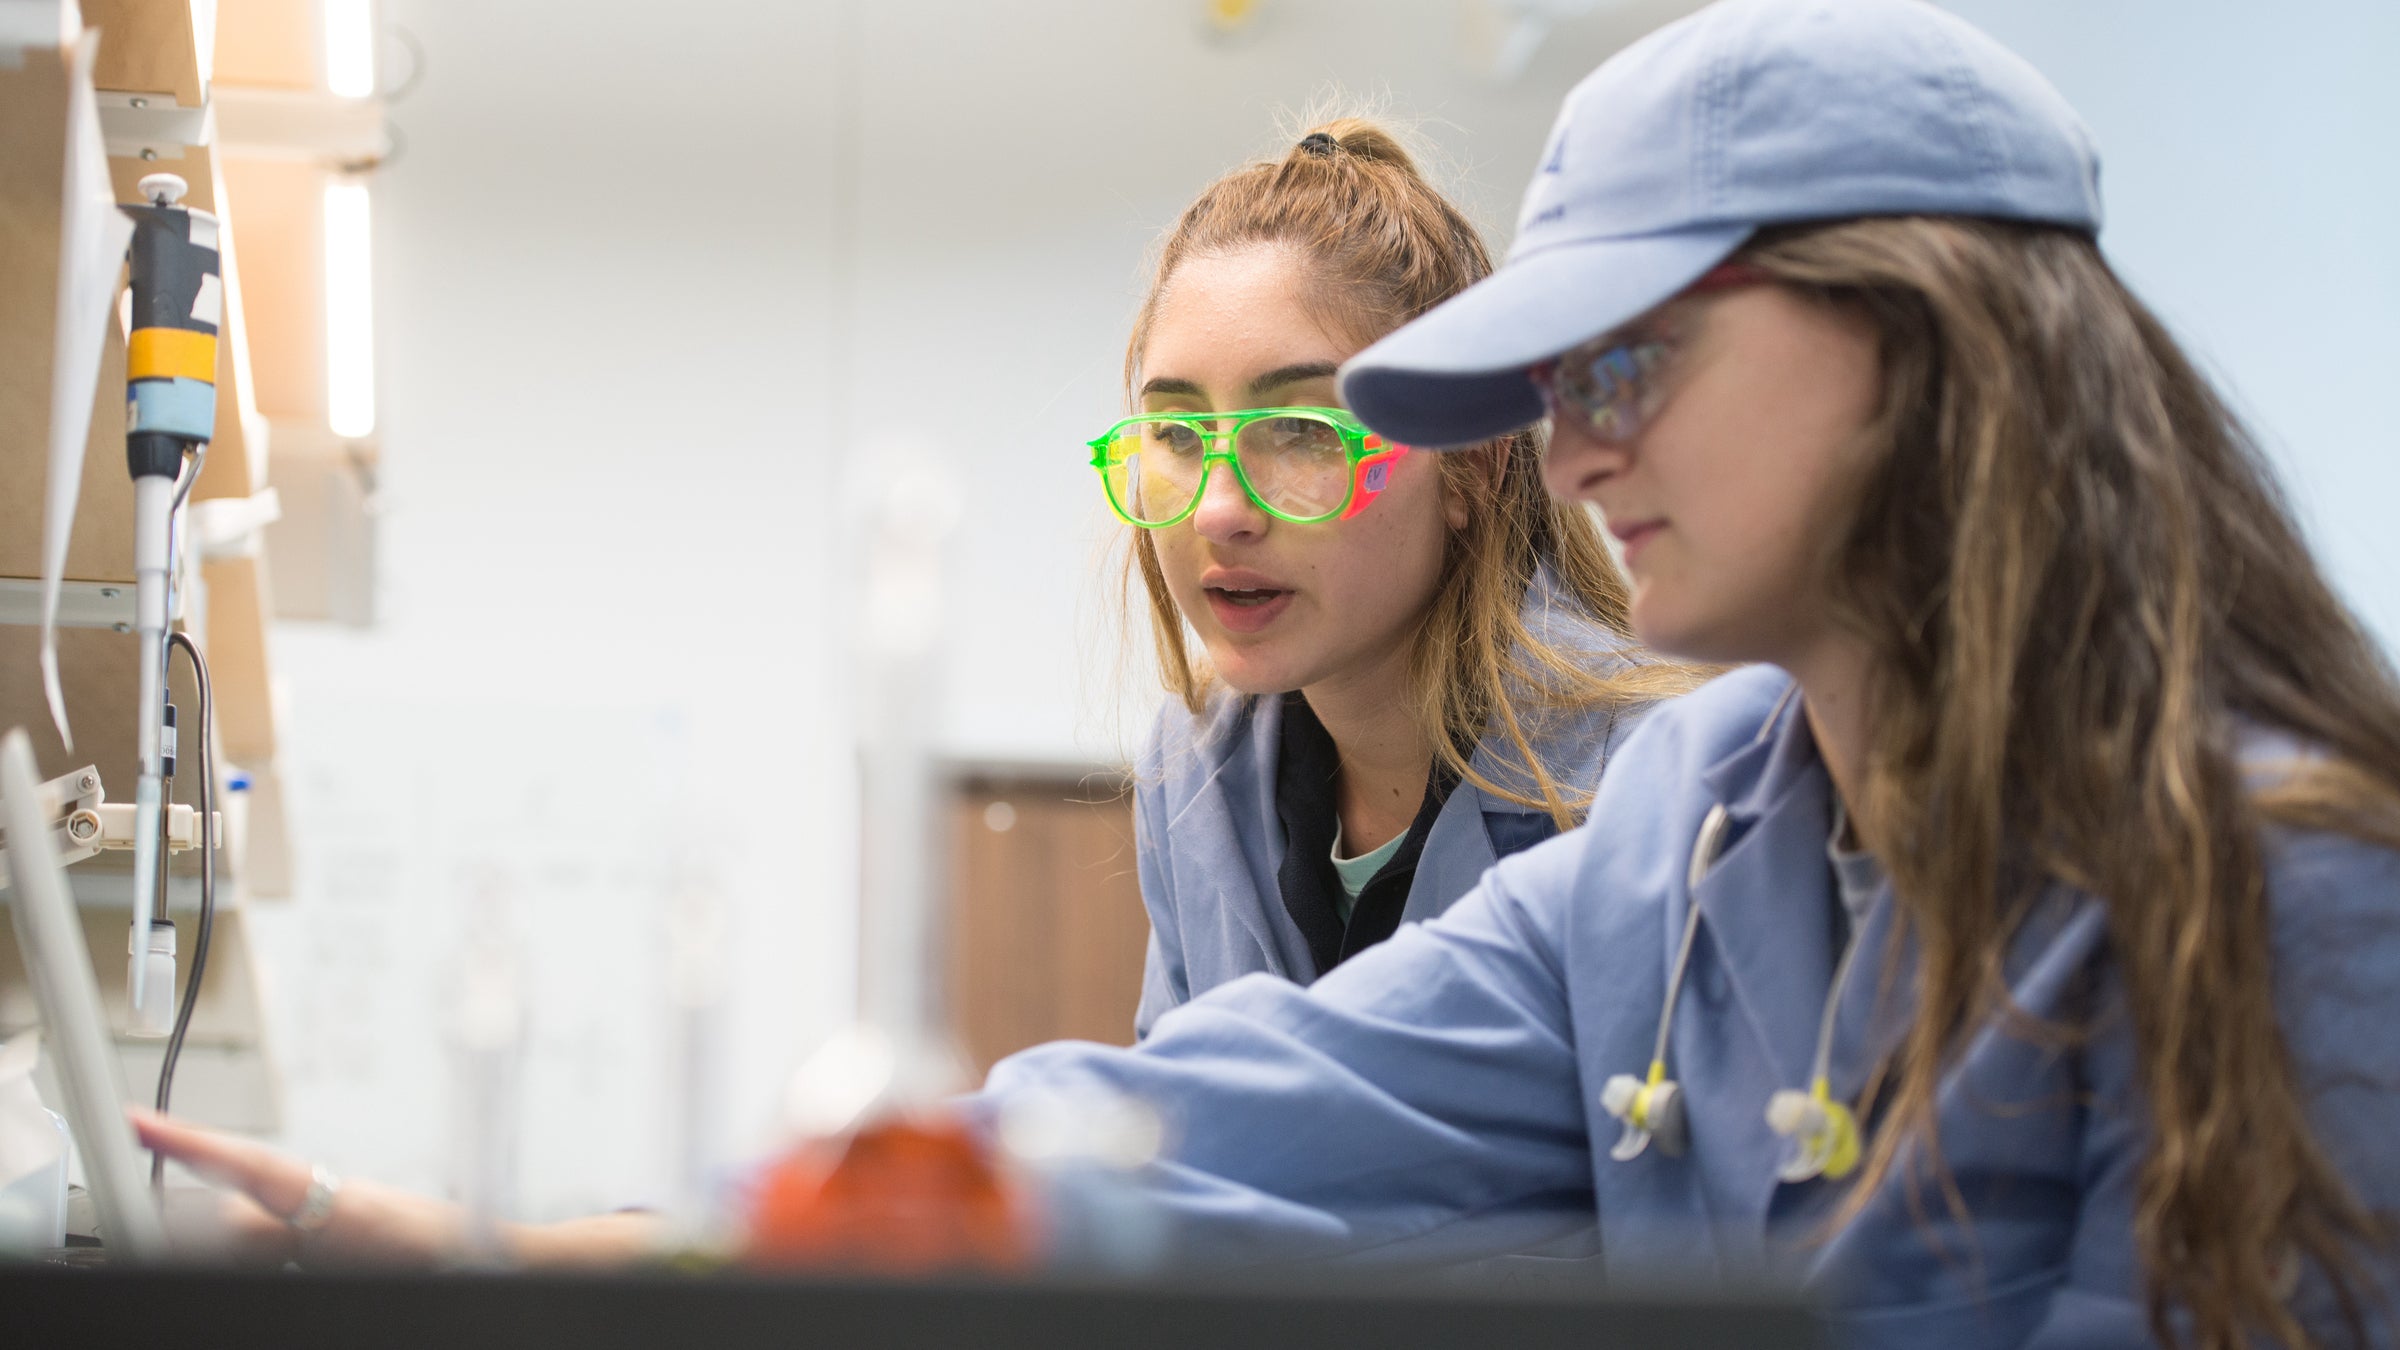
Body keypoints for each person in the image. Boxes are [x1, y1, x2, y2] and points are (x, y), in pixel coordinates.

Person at [142, 3, 2400, 1347]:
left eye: (1642, 348)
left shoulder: (2277, 883)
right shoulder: (1684, 840)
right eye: (1552, 366)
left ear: (1921, 341)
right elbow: (1166, 1131)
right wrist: (535, 1244)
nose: (1576, 426)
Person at [1101, 117, 1690, 1038]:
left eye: (1300, 429)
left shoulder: (1657, 779)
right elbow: (1181, 1128)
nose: (1219, 510)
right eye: (1176, 434)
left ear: (1472, 465)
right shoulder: (1194, 769)